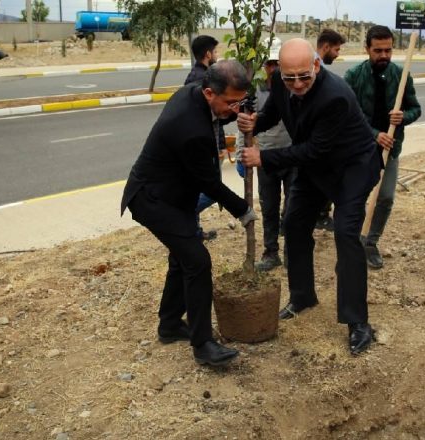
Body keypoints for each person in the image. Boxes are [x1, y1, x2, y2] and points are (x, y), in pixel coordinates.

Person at [237, 38, 380, 355]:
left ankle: (358, 322)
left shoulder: (335, 97)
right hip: (315, 168)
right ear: (280, 71)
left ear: (316, 65)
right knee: (295, 223)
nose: (297, 84)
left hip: (351, 168)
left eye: (304, 76)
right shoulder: (280, 81)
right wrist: (255, 122)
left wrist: (265, 159)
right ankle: (302, 296)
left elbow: (315, 148)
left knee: (345, 233)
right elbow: (274, 113)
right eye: (290, 78)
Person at [121, 60, 257, 366]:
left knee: (182, 260)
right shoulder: (190, 128)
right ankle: (203, 344)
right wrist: (243, 209)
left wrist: (237, 115)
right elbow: (206, 182)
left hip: (171, 194)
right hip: (153, 199)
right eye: (231, 102)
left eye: (240, 102)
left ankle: (169, 325)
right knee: (197, 261)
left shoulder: (193, 93)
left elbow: (214, 119)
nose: (236, 109)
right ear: (210, 92)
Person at [344, 25, 422, 270]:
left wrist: (403, 117)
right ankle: (352, 240)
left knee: (386, 197)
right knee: (357, 196)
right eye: (378, 50)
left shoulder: (402, 74)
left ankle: (371, 242)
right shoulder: (353, 76)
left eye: (388, 50)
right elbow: (347, 115)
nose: (384, 56)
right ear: (367, 49)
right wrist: (375, 134)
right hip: (360, 149)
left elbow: (415, 108)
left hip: (391, 150)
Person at [235, 38, 296, 272]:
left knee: (292, 209)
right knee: (269, 208)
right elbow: (246, 126)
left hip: (291, 157)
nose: (273, 69)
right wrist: (243, 153)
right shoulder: (253, 92)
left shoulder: (292, 87)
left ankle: (293, 252)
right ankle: (271, 252)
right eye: (269, 63)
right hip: (265, 159)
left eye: (276, 63)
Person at [185, 35, 223, 241]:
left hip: (202, 142)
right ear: (208, 54)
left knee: (199, 187)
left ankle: (195, 232)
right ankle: (185, 214)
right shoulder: (203, 79)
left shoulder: (195, 75)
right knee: (211, 190)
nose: (217, 55)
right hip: (204, 144)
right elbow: (211, 115)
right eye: (215, 52)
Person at [313, 29, 346, 230]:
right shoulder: (314, 69)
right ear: (325, 47)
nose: (338, 54)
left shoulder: (320, 67)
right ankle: (319, 216)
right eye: (336, 49)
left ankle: (320, 214)